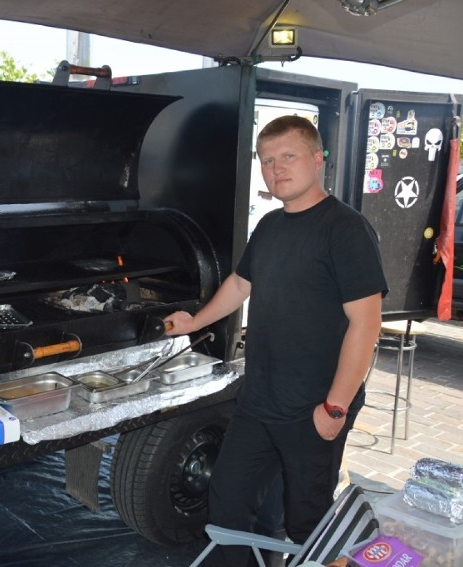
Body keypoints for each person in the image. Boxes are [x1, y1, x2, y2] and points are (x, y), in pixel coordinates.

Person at [165, 115, 387, 566]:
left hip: (314, 406)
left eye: (288, 156)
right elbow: (240, 284)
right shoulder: (269, 226)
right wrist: (195, 322)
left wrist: (336, 407)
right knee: (226, 503)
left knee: (307, 520)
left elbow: (366, 323)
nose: (276, 169)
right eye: (267, 161)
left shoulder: (345, 229)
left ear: (318, 158)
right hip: (260, 398)